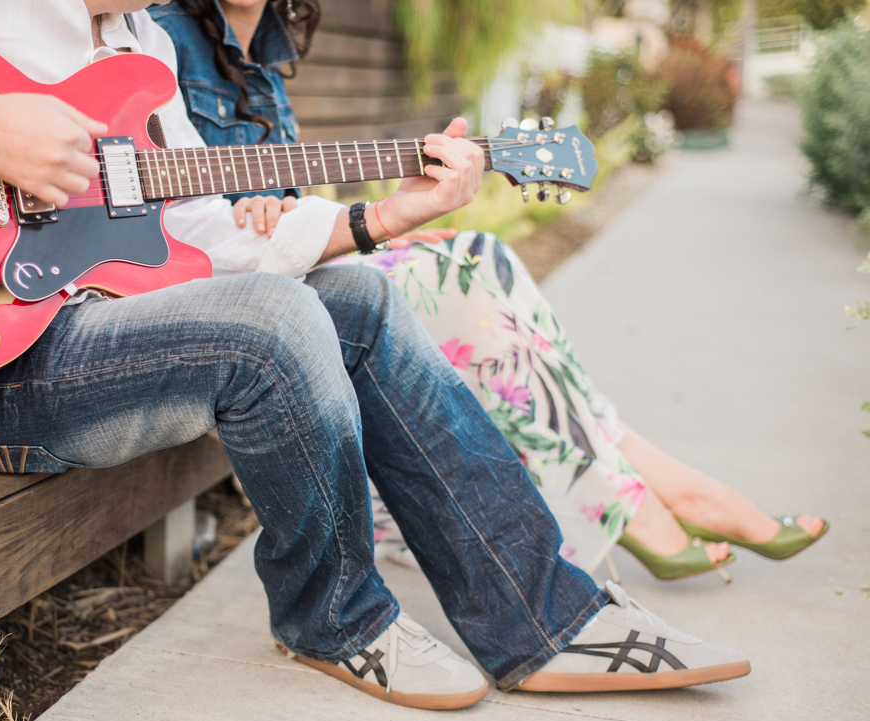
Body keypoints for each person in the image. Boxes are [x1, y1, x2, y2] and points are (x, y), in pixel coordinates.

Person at [0, 0, 751, 710]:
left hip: (89, 337)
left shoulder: (140, 54)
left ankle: (540, 617)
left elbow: (214, 239)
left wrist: (381, 217)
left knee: (352, 301)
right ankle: (335, 617)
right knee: (272, 325)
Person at [149, 0, 828, 581]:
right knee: (467, 267)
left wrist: (378, 233)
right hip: (217, 302)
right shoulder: (158, 34)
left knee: (474, 255)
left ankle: (642, 490)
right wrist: (256, 217)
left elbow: (281, 208)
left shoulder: (265, 51)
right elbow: (178, 220)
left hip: (283, 271)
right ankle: (649, 496)